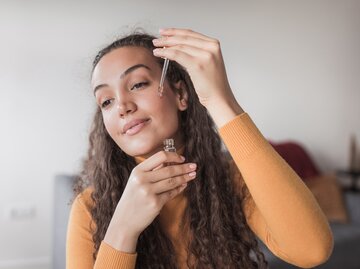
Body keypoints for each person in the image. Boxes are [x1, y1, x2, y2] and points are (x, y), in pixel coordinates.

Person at [66, 28, 333, 269]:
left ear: (180, 95)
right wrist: (123, 227)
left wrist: (220, 99)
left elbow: (312, 250)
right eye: (106, 101)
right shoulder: (89, 207)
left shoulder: (229, 179)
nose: (122, 106)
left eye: (137, 84)